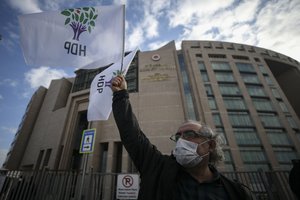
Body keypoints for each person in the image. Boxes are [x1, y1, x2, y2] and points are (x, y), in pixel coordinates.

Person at [111, 75, 254, 200]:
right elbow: (132, 135)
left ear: (210, 145)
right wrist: (121, 95)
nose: (182, 140)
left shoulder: (236, 192)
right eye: (178, 137)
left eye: (190, 134)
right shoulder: (157, 169)